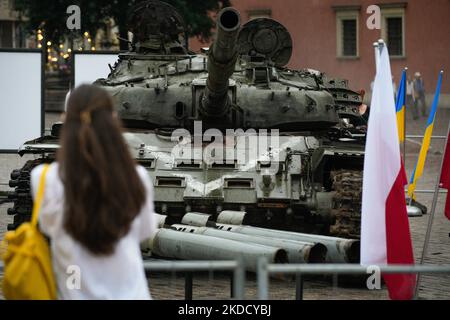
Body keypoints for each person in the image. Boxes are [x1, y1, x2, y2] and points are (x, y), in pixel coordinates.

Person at [30, 84, 157, 299]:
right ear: (113, 119)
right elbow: (144, 232)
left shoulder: (44, 179)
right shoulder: (138, 177)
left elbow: (48, 227)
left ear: (66, 120)